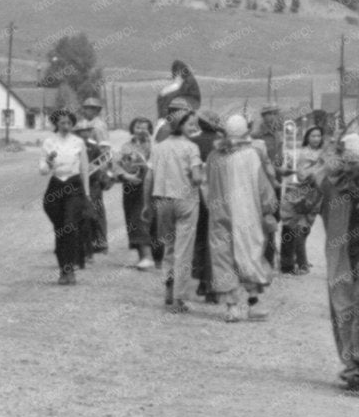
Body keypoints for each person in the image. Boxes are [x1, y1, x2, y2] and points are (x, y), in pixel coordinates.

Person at [318, 129, 359, 392]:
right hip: (340, 255)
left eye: (355, 163)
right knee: (342, 308)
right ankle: (352, 365)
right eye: (347, 162)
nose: (350, 168)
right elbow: (314, 174)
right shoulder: (332, 182)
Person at [204, 113, 278, 322]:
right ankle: (253, 303)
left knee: (223, 258)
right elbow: (264, 189)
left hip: (219, 215)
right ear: (246, 132)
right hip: (248, 216)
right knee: (249, 254)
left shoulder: (213, 156)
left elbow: (205, 185)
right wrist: (269, 209)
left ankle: (232, 308)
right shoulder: (251, 155)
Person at [147, 113, 205, 311]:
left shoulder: (158, 148)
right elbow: (197, 178)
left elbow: (150, 177)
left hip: (163, 201)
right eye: (190, 124)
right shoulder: (191, 148)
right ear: (181, 125)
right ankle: (179, 298)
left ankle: (168, 292)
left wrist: (147, 204)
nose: (193, 127)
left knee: (169, 247)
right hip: (186, 201)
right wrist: (203, 174)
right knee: (184, 251)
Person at [39, 109, 92, 285]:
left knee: (70, 227)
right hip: (55, 187)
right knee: (60, 229)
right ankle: (64, 270)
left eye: (69, 123)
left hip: (74, 186)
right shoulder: (48, 142)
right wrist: (48, 162)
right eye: (62, 123)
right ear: (56, 124)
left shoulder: (78, 142)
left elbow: (84, 168)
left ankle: (71, 268)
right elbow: (43, 170)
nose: (66, 126)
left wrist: (87, 193)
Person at [279, 124, 330, 273]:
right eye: (313, 135)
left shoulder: (323, 153)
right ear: (307, 137)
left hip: (315, 195)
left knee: (306, 227)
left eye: (318, 136)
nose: (316, 138)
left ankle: (300, 259)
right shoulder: (300, 153)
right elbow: (300, 175)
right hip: (300, 194)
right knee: (298, 227)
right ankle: (301, 263)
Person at [113, 117, 156, 270]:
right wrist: (125, 176)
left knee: (152, 220)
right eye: (138, 127)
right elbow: (116, 165)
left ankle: (154, 257)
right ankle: (144, 256)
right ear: (132, 129)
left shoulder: (155, 145)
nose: (141, 131)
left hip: (152, 187)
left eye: (145, 128)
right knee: (135, 220)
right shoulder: (125, 147)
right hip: (132, 186)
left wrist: (151, 142)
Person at [76, 105, 112, 265]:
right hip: (78, 182)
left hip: (95, 180)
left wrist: (104, 172)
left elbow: (106, 153)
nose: (84, 133)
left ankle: (101, 242)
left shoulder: (100, 127)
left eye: (90, 108)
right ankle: (85, 245)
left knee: (96, 211)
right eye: (80, 132)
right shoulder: (76, 143)